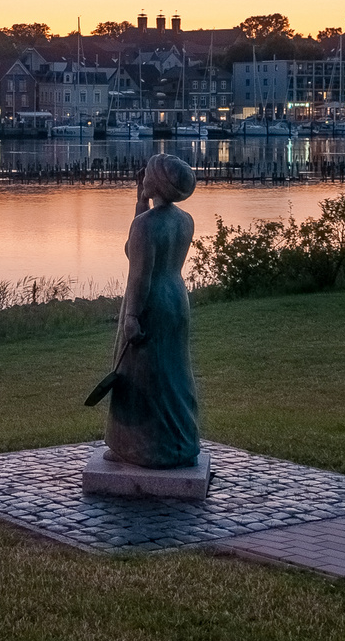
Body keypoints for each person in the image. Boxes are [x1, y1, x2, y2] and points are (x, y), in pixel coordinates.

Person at [104, 152, 200, 469]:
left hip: (151, 300)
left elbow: (139, 275)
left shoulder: (145, 227)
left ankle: (139, 448)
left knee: (140, 374)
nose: (141, 177)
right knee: (174, 373)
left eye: (147, 176)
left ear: (156, 183)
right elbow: (143, 248)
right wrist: (139, 204)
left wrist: (132, 316)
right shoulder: (184, 220)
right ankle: (181, 442)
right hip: (176, 296)